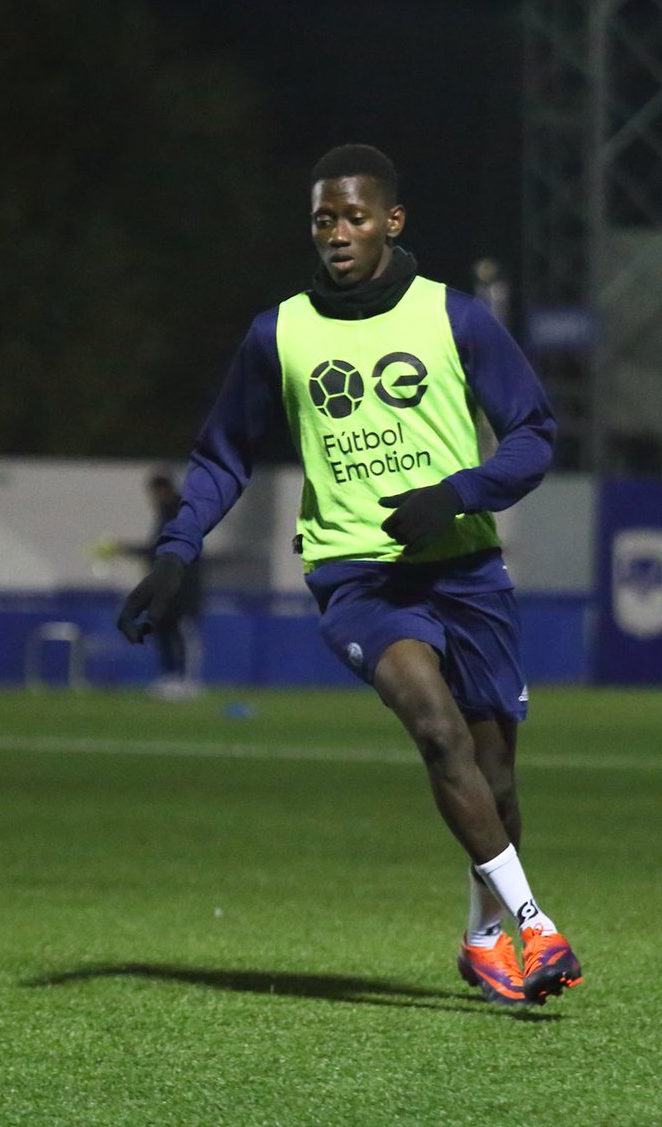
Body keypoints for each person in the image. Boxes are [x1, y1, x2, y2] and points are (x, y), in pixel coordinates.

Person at [117, 144, 582, 1006]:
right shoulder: (279, 332)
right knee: (437, 732)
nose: (337, 233)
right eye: (323, 219)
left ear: (392, 222)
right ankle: (536, 927)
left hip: (467, 566)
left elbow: (535, 434)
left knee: (498, 779)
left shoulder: (459, 319)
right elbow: (222, 453)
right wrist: (178, 548)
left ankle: (483, 940)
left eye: (355, 217)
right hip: (356, 577)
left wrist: (458, 493)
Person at [106, 473, 203, 698]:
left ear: (163, 490)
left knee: (180, 632)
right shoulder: (166, 514)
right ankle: (170, 678)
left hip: (181, 586)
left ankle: (186, 681)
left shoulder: (179, 514)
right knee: (162, 630)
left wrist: (125, 549)